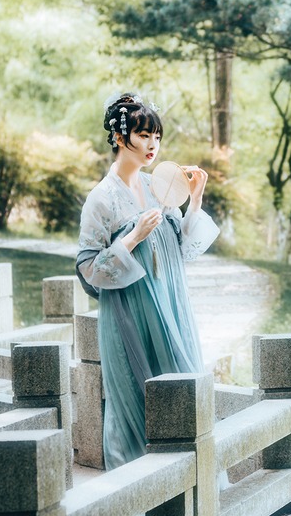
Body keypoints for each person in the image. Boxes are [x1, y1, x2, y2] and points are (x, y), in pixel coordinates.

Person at [76, 92, 219, 472]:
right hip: (131, 311)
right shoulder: (101, 198)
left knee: (182, 386)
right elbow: (88, 269)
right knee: (134, 398)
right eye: (143, 135)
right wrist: (132, 237)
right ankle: (136, 492)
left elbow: (182, 249)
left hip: (171, 305)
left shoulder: (160, 186)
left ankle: (191, 484)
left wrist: (195, 200)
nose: (153, 144)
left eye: (157, 136)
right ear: (119, 137)